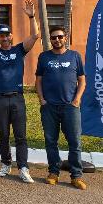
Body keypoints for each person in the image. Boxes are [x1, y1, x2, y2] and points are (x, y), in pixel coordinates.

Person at [0, 1, 39, 183]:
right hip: (0, 99)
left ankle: (23, 167)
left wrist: (31, 16)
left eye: (7, 35)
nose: (5, 38)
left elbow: (35, 35)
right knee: (3, 134)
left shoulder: (19, 50)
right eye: (2, 36)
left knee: (20, 135)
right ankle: (6, 164)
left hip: (17, 98)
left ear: (11, 36)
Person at [35, 25, 87, 190]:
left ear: (65, 38)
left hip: (70, 107)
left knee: (75, 142)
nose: (57, 40)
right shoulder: (44, 57)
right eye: (53, 38)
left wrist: (77, 99)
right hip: (49, 107)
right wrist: (42, 99)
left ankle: (76, 176)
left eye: (59, 37)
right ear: (50, 40)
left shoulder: (75, 56)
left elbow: (82, 80)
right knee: (51, 141)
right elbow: (38, 80)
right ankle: (53, 172)